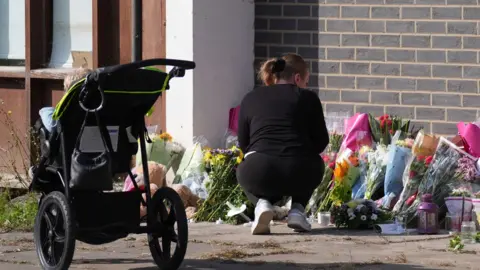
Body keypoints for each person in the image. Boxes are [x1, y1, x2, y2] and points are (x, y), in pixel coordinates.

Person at [236, 53, 329, 235]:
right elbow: (321, 142)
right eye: (306, 80)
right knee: (314, 162)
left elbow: (243, 143)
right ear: (297, 78)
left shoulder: (251, 97)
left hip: (259, 170)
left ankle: (262, 204)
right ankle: (297, 210)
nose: (306, 85)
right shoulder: (309, 98)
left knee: (244, 167)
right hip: (301, 170)